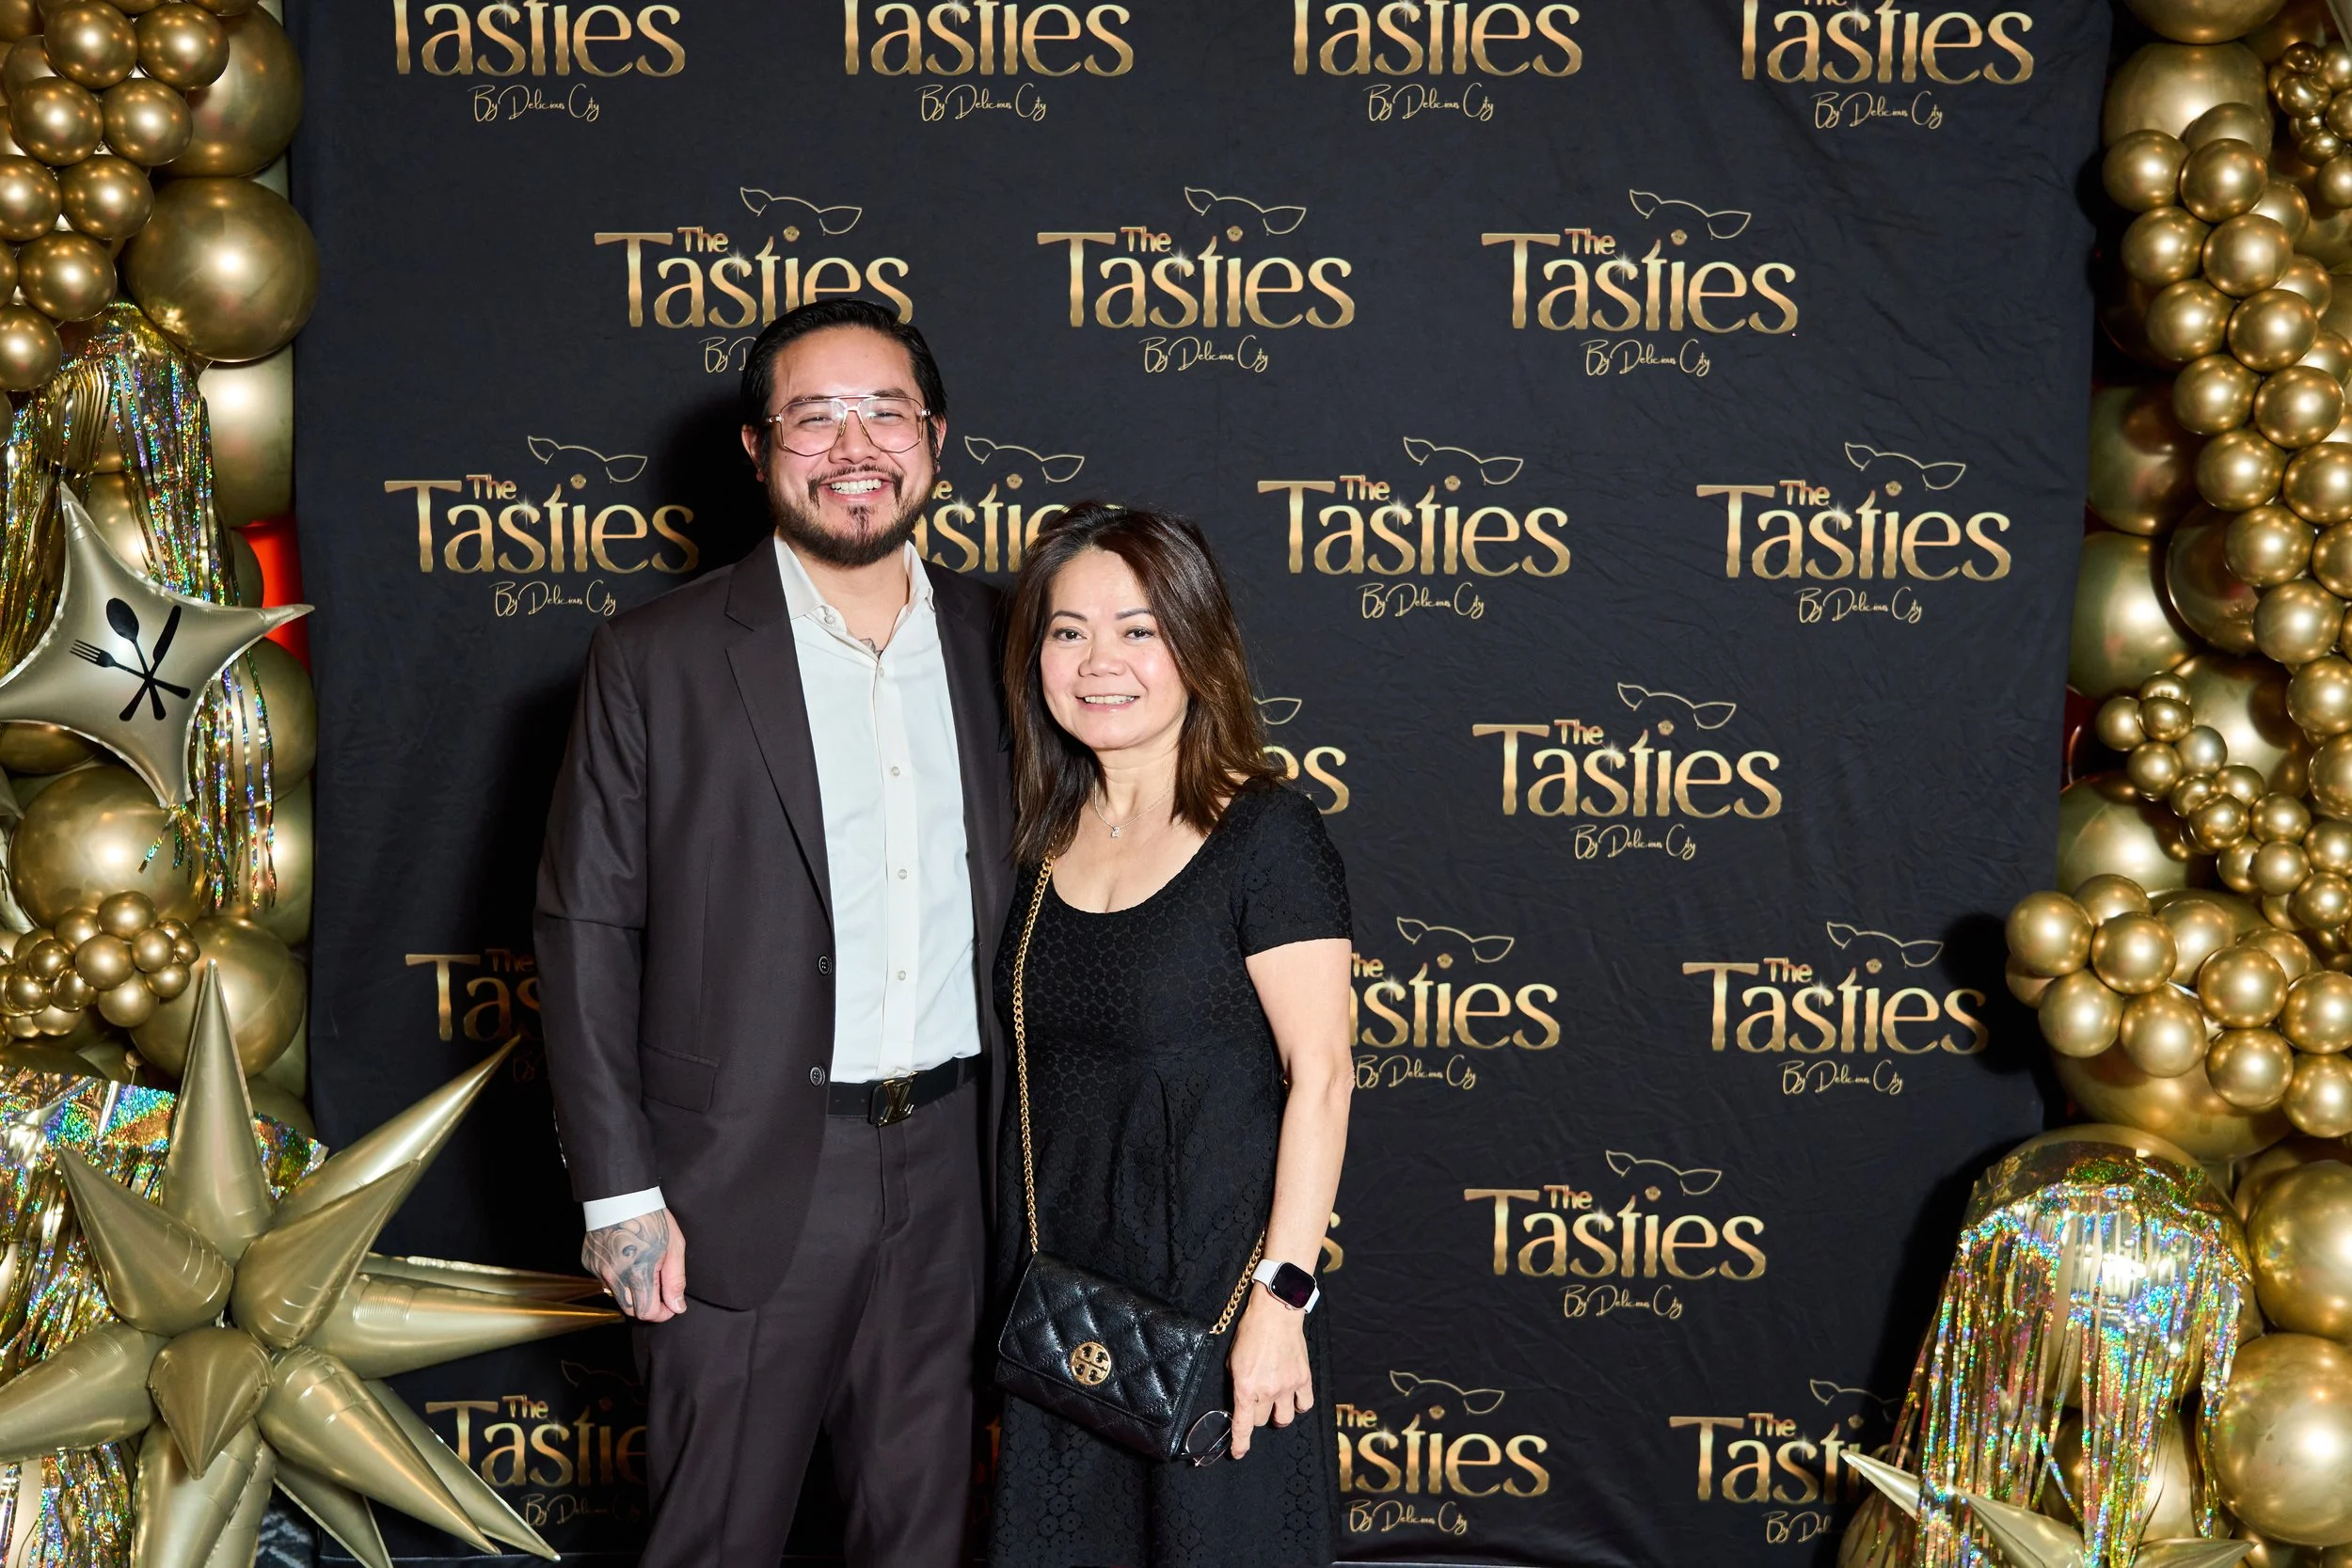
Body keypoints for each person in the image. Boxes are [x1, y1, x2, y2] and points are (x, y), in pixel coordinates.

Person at [534, 297, 1012, 1567]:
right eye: (814, 417)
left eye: (885, 412)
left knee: (922, 1536)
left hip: (958, 1172)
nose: (854, 446)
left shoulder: (1009, 641)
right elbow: (585, 927)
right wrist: (621, 1193)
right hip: (731, 1183)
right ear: (757, 450)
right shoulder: (656, 656)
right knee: (715, 1539)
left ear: (936, 438)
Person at [986, 502, 1354, 1568]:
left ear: (1196, 645)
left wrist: (1280, 1300)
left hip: (1219, 1306)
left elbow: (1323, 1077)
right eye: (1068, 631)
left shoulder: (1267, 834)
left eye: (1137, 629)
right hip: (1061, 1308)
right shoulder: (1038, 835)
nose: (1098, 660)